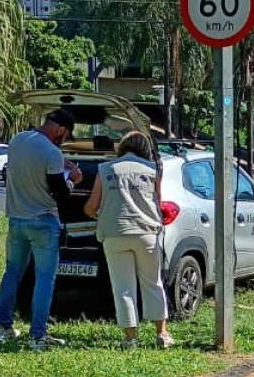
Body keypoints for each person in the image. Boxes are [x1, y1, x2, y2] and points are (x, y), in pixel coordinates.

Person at [0, 108, 83, 350]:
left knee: (12, 272)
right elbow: (60, 194)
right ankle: (38, 335)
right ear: (61, 129)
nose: (63, 141)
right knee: (44, 279)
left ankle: (3, 327)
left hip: (16, 220)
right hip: (43, 221)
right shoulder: (52, 152)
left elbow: (31, 163)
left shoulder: (18, 140)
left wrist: (59, 160)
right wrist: (73, 178)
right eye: (65, 136)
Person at [83, 131, 174, 350]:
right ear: (145, 149)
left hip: (114, 234)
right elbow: (158, 204)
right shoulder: (152, 170)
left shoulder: (105, 170)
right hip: (146, 233)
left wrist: (100, 213)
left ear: (122, 147)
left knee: (123, 287)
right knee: (152, 283)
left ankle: (130, 338)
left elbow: (91, 206)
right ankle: (161, 334)